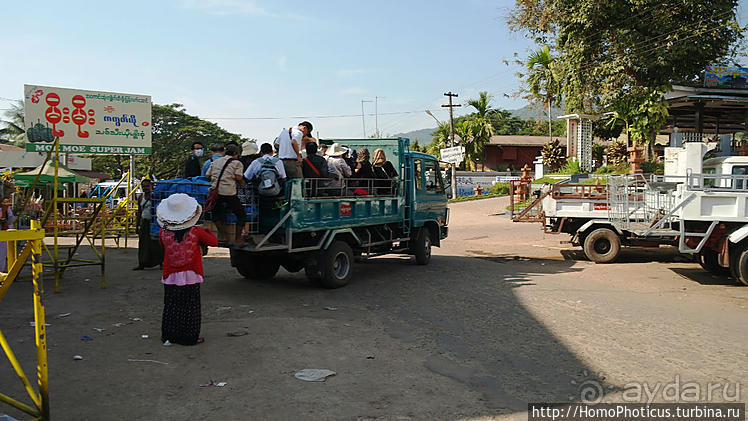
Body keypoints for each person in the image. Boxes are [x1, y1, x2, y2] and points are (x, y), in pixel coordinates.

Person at [156, 193, 217, 346]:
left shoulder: (163, 232)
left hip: (170, 275)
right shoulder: (196, 232)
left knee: (171, 306)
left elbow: (163, 246)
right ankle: (189, 337)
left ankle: (169, 335)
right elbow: (214, 242)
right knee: (191, 307)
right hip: (192, 274)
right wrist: (208, 231)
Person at [205, 144, 246, 246]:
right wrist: (242, 184)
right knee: (241, 214)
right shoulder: (237, 163)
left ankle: (223, 235)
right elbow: (238, 177)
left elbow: (207, 175)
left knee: (215, 213)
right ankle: (238, 239)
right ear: (235, 154)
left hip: (215, 192)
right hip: (229, 192)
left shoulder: (215, 161)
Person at [133, 179, 164, 270]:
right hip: (144, 222)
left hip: (154, 222)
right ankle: (142, 263)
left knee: (156, 243)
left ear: (151, 186)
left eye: (147, 186)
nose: (145, 188)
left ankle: (160, 262)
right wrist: (137, 225)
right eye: (144, 187)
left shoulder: (155, 196)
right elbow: (139, 211)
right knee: (143, 243)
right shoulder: (140, 197)